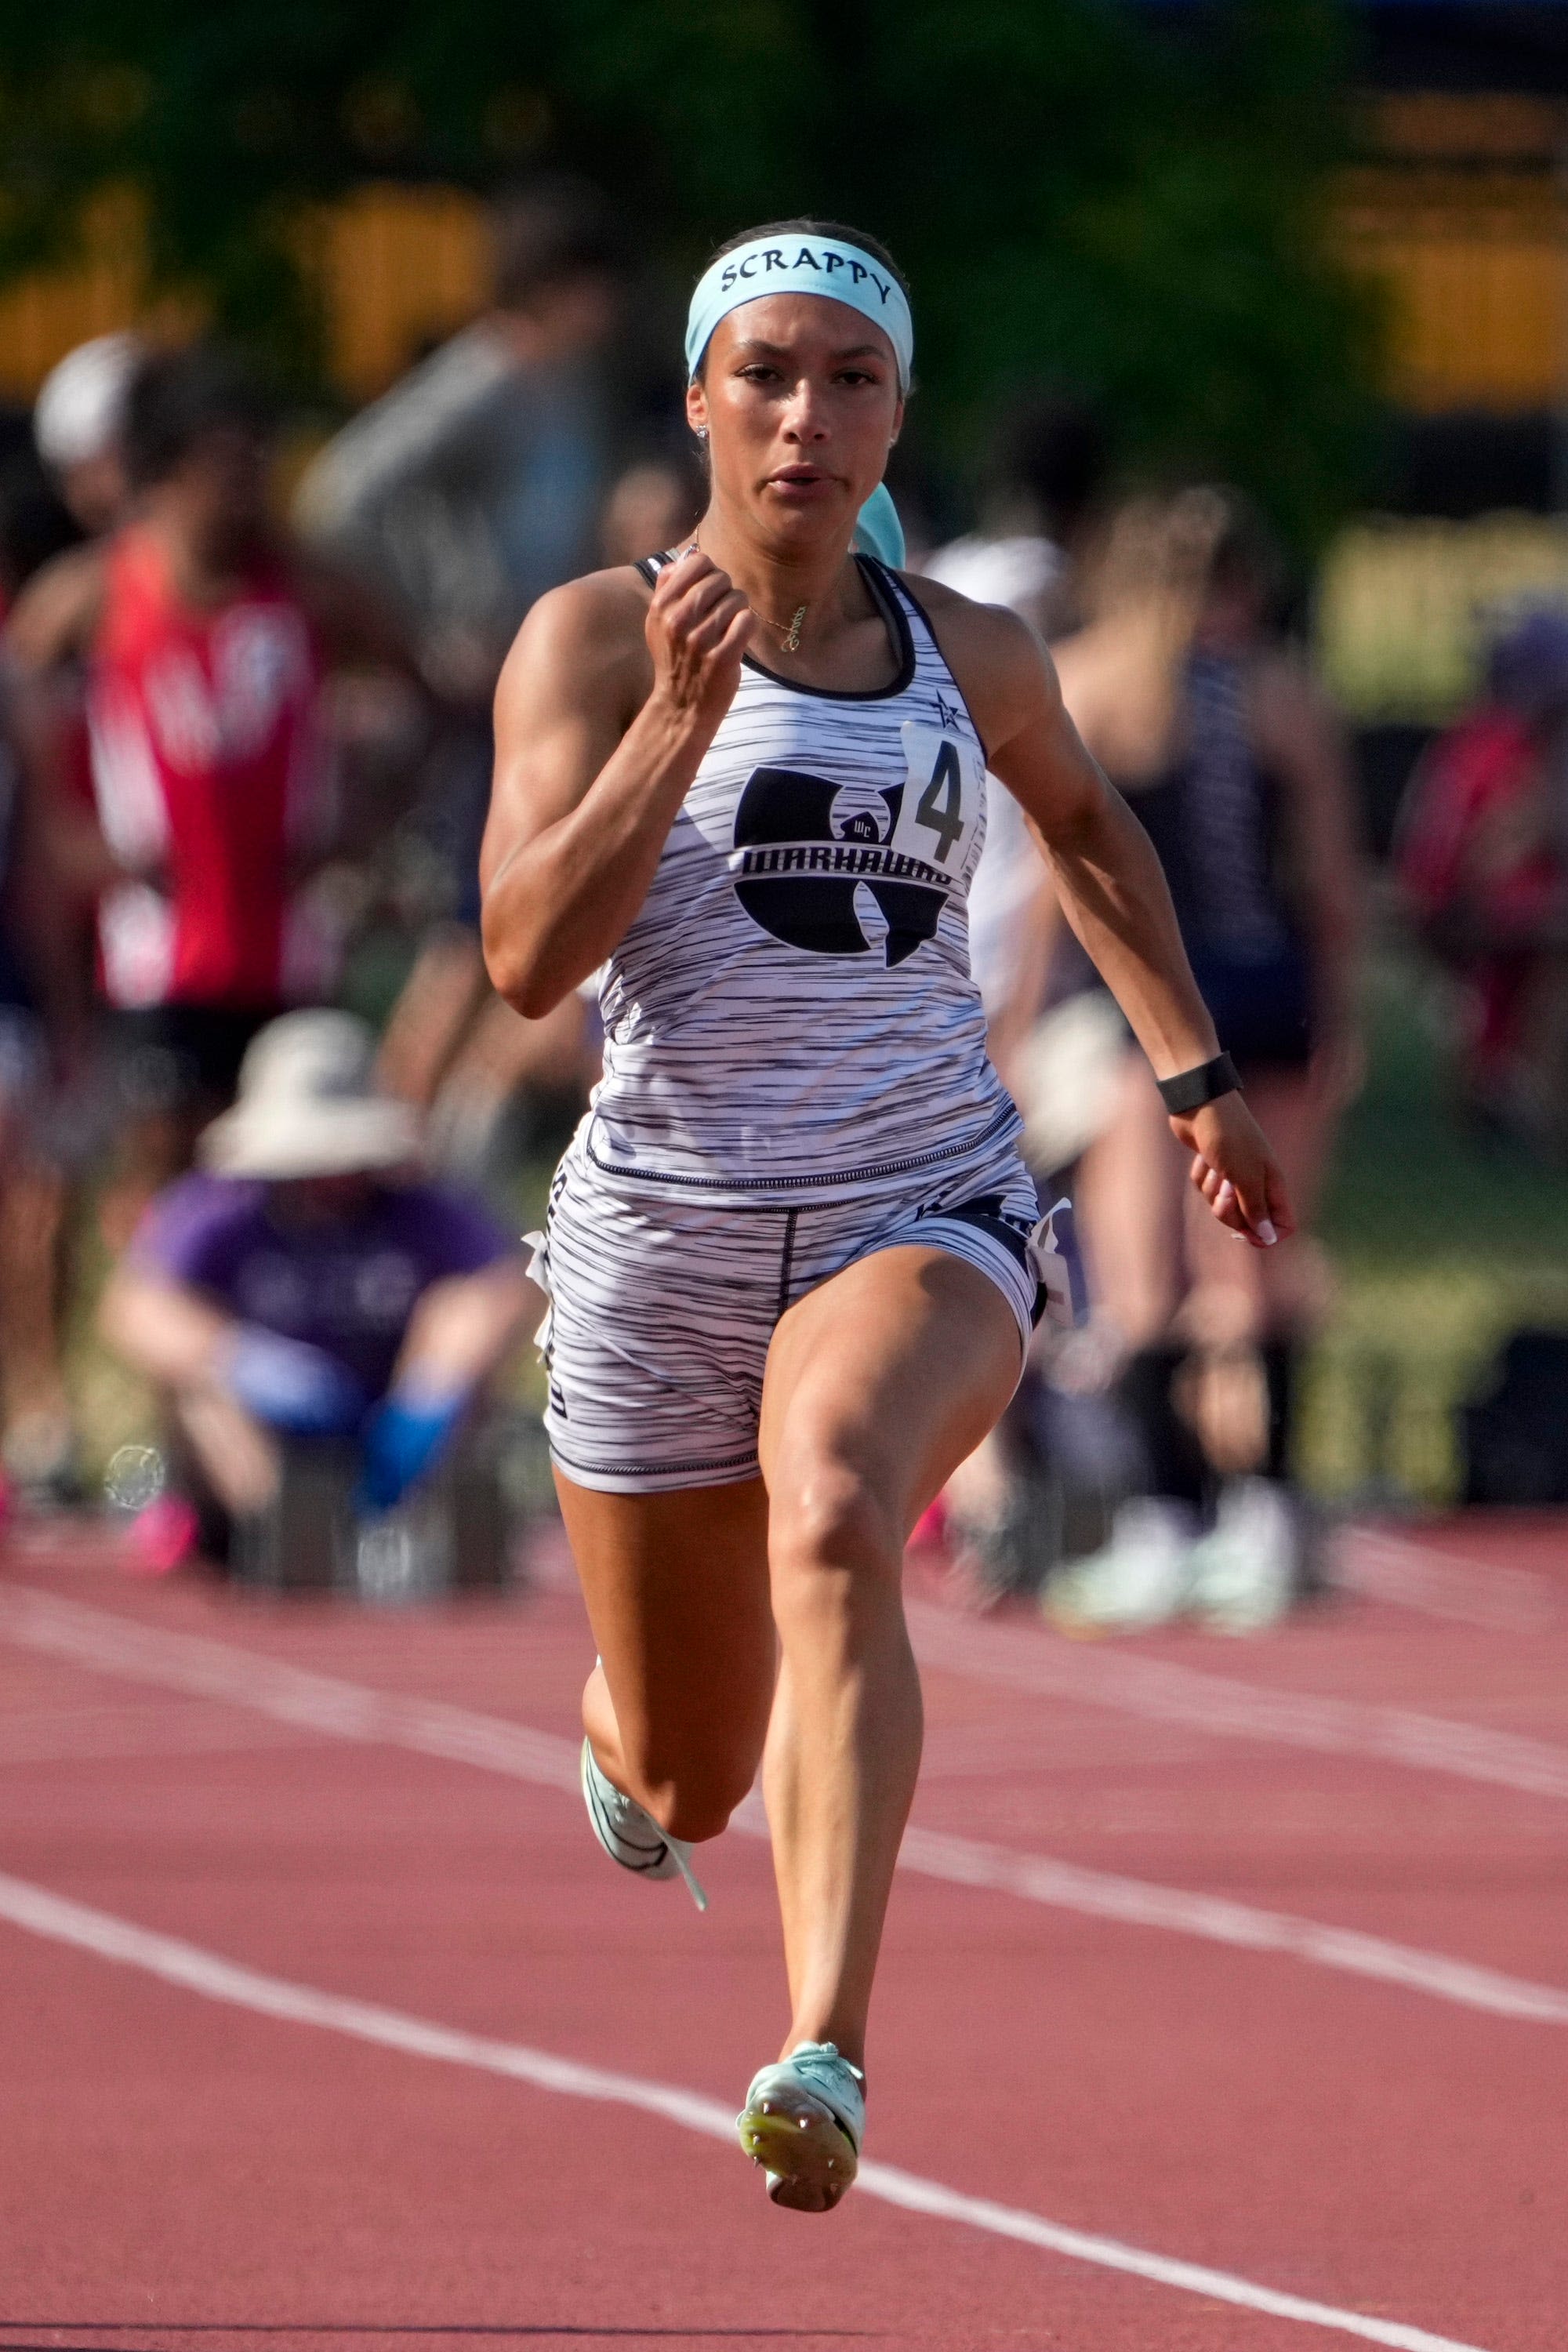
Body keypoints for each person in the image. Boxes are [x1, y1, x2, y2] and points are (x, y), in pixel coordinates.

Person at [479, 218, 1290, 2212]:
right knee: (687, 1773)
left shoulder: (967, 651)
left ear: (892, 416)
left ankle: (818, 2047)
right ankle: (622, 1726)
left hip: (911, 1193)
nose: (803, 418)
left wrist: (1189, 1074)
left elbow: (1088, 829)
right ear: (698, 401)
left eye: (849, 381)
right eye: (763, 374)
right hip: (660, 1233)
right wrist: (676, 720)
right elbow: (519, 959)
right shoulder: (591, 640)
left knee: (838, 1494)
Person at [10, 342, 421, 1240]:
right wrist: (72, 832)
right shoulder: (95, 594)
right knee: (162, 1155)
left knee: (288, 1163)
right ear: (165, 475)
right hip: (159, 946)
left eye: (258, 465)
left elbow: (428, 697)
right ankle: (148, 1357)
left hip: (287, 939)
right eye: (224, 469)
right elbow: (24, 704)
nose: (246, 489)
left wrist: (366, 824)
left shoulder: (310, 589)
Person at [1042, 488, 1362, 1631]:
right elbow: (1326, 886)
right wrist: (1347, 1017)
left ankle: (1167, 1518)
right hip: (1270, 989)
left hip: (1154, 1008)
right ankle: (1266, 1513)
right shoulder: (1283, 698)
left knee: (1142, 1278)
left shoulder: (1088, 685)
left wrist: (1024, 1013)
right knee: (1263, 1263)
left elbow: (1057, 878)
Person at [98, 1010, 533, 1576]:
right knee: (200, 1396)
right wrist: (241, 1359)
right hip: (265, 1451)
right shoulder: (218, 1208)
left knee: (466, 1344)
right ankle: (288, 1526)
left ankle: (404, 1523)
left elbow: (507, 1285)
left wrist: (429, 1392)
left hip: (384, 1433)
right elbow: (134, 1306)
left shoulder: (420, 1208)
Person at [1396, 606, 1568, 1151]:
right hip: (1458, 908)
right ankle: (1521, 1096)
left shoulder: (1479, 735)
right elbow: (1491, 855)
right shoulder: (1504, 745)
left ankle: (1500, 1082)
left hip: (1452, 903)